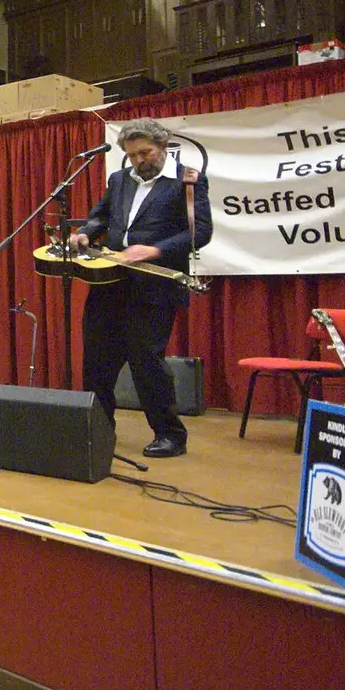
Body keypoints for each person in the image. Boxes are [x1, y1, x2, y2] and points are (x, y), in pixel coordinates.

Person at [70, 118, 212, 458]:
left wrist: (154, 249)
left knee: (145, 360)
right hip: (110, 282)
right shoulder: (119, 180)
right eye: (132, 155)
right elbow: (100, 215)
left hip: (155, 286)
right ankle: (99, 430)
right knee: (97, 360)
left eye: (145, 153)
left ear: (163, 147)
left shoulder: (188, 181)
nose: (138, 161)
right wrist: (87, 231)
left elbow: (200, 233)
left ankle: (170, 434)